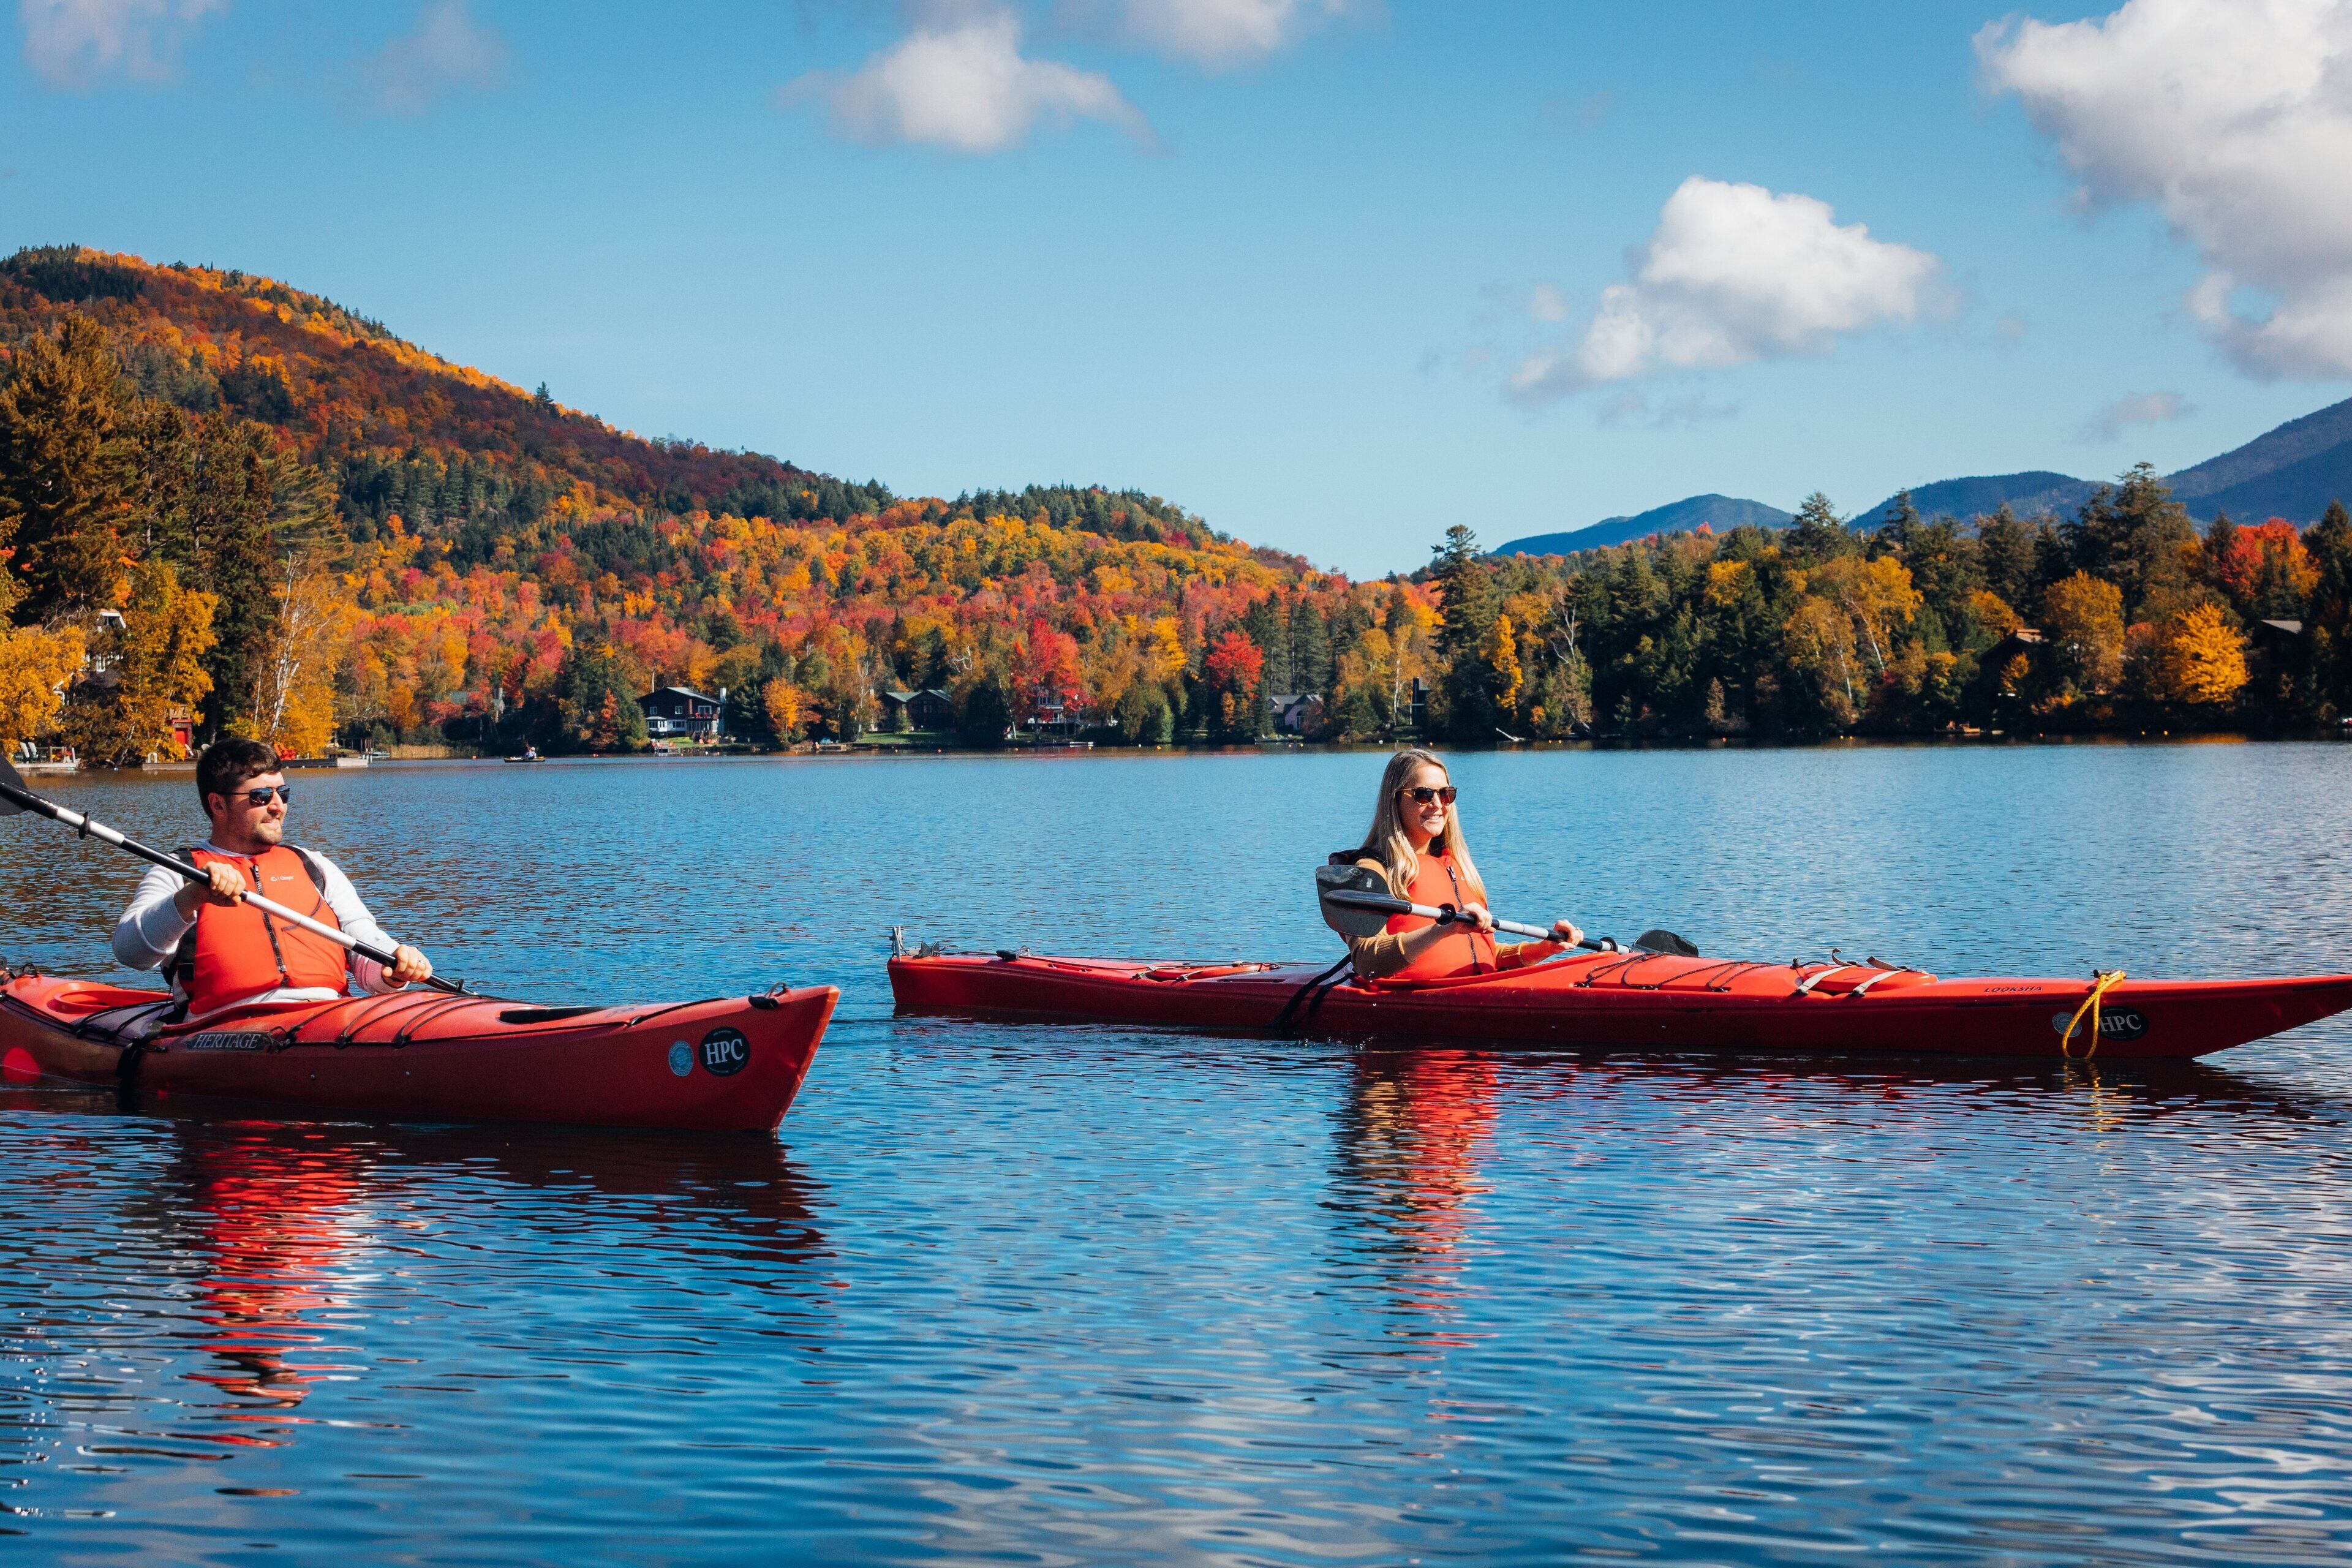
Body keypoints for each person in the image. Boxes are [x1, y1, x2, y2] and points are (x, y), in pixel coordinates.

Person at [113, 738, 433, 1022]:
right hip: (222, 1024)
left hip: (327, 1017)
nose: (278, 806)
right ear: (218, 804)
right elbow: (131, 952)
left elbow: (366, 953)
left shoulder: (313, 866)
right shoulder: (179, 871)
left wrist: (395, 968)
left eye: (283, 792)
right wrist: (193, 897)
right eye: (260, 796)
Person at [1337, 748, 1583, 981]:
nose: (1437, 805)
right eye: (1424, 795)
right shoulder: (1374, 869)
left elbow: (1486, 956)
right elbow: (1367, 961)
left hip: (1472, 991)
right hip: (1414, 1000)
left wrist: (1542, 949)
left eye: (1445, 794)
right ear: (1395, 800)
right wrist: (1443, 928)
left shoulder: (1457, 866)